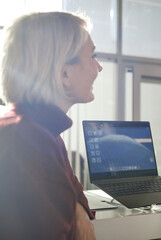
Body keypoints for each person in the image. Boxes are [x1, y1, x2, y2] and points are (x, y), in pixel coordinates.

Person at [0, 12, 103, 239]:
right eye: (92, 56)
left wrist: (78, 211)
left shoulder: (42, 131)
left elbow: (75, 190)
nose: (99, 68)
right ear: (64, 73)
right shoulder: (29, 141)